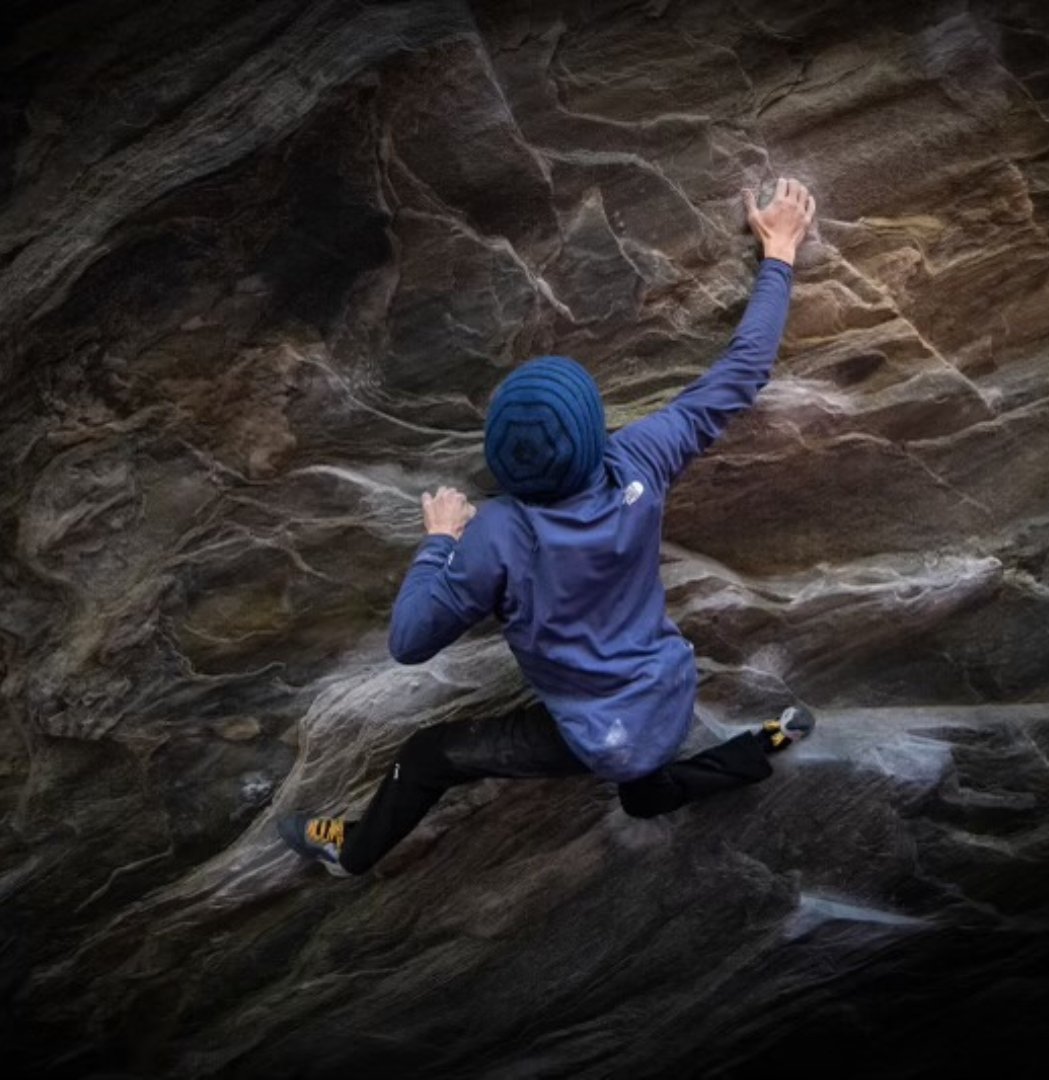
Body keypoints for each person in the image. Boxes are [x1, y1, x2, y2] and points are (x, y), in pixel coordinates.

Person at [279, 178, 818, 877]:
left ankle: (354, 851)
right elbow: (742, 373)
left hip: (598, 735)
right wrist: (778, 252)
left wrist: (440, 540)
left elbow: (409, 641)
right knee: (644, 787)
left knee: (429, 758)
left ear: (500, 462)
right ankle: (760, 749)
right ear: (595, 436)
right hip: (669, 693)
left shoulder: (499, 533)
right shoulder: (641, 459)